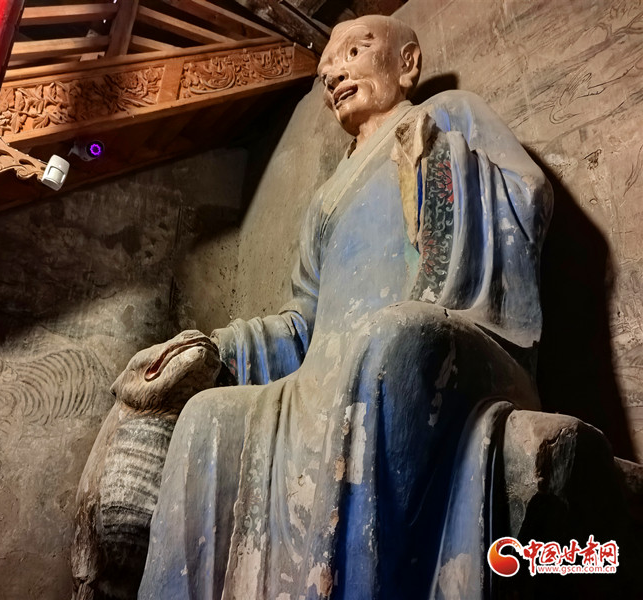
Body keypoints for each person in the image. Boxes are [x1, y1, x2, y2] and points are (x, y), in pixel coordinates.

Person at [136, 14, 552, 600]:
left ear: (407, 63)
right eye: (327, 67)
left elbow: (528, 197)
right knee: (208, 418)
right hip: (325, 381)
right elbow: (302, 323)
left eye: (355, 52)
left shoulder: (449, 114)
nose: (334, 73)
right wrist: (217, 349)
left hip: (447, 343)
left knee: (392, 341)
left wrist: (441, 166)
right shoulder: (326, 200)